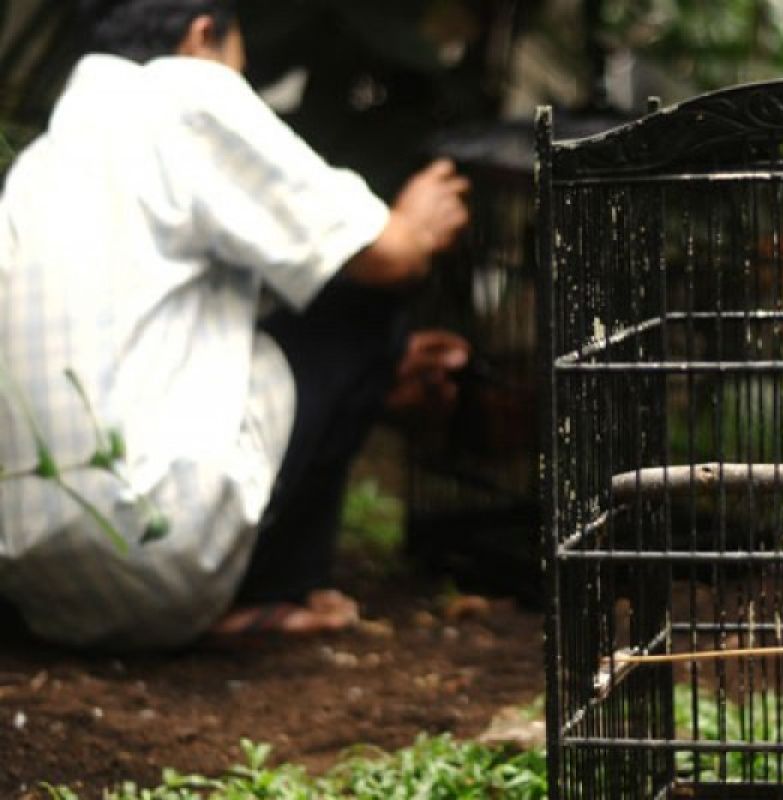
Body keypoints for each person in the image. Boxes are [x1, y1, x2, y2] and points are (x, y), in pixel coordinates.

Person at [0, 0, 471, 648]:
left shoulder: (43, 163)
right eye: (239, 67)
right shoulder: (185, 91)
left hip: (37, 586)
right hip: (162, 561)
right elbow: (385, 255)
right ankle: (273, 592)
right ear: (202, 34)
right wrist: (420, 220)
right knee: (357, 299)